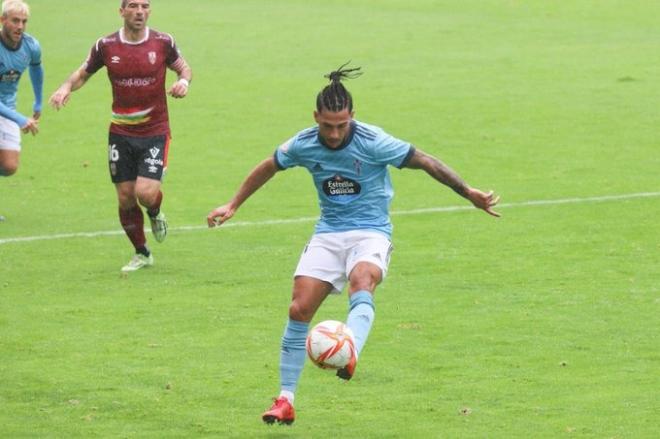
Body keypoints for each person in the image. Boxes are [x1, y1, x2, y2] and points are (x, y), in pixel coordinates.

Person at [206, 63, 500, 425]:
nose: (333, 134)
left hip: (371, 231)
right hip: (329, 233)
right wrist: (233, 203)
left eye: (341, 125)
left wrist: (466, 191)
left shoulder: (374, 141)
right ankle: (285, 400)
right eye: (327, 125)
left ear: (352, 117)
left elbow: (424, 160)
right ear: (316, 117)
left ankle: (351, 349)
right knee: (299, 309)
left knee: (363, 280)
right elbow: (269, 165)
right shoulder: (303, 143)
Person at [48, 0, 192, 272]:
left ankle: (155, 212)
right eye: (133, 6)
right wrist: (66, 87)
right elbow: (83, 73)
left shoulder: (163, 42)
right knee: (126, 197)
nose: (140, 11)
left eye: (145, 6)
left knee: (146, 194)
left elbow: (184, 68)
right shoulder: (106, 46)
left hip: (155, 131)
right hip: (121, 132)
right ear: (122, 11)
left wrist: (183, 82)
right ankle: (142, 252)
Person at [0, 0, 42, 222]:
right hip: (10, 112)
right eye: (15, 21)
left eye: (24, 21)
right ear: (2, 20)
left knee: (8, 166)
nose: (20, 26)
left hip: (7, 107)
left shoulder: (31, 46)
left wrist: (38, 101)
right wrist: (19, 119)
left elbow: (37, 69)